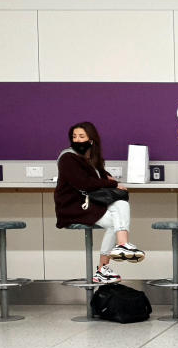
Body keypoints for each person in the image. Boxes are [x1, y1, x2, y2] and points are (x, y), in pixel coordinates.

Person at [54, 121, 145, 284]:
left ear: (91, 139)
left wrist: (107, 179)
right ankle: (116, 253)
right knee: (116, 214)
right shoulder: (67, 157)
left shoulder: (90, 157)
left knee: (121, 205)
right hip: (73, 207)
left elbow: (100, 176)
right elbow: (84, 183)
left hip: (90, 203)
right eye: (74, 137)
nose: (77, 140)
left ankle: (115, 253)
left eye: (82, 136)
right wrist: (112, 184)